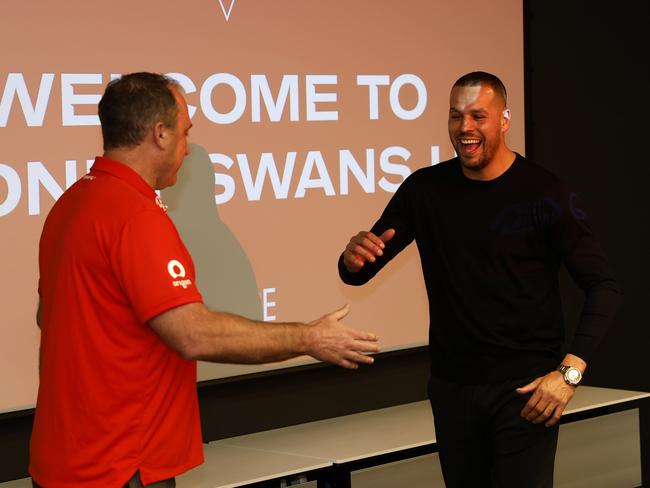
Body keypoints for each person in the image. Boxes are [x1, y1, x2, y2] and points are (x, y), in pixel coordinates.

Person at [31, 72, 380, 488]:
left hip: (65, 460)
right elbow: (193, 334)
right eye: (185, 132)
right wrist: (310, 338)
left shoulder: (70, 204)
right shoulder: (136, 216)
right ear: (160, 134)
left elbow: (47, 316)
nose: (187, 146)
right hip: (121, 465)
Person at [338, 71, 620, 487]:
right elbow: (360, 271)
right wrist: (351, 258)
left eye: (477, 116)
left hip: (527, 391)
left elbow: (604, 288)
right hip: (453, 390)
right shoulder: (424, 189)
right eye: (456, 116)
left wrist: (569, 373)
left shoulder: (546, 194)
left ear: (504, 120)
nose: (465, 128)